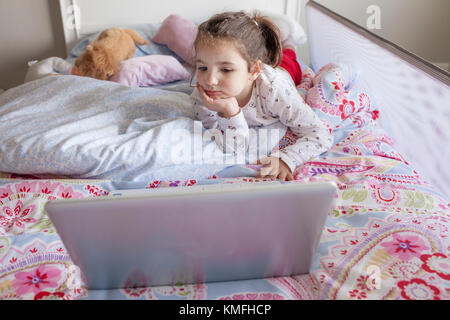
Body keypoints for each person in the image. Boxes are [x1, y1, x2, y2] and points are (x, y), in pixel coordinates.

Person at [190, 11, 332, 181]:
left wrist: (286, 160)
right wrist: (230, 112)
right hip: (258, 71)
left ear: (254, 70)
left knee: (289, 59)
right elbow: (232, 146)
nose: (210, 80)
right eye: (202, 68)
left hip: (284, 72)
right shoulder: (203, 95)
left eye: (226, 70)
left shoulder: (274, 90)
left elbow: (321, 134)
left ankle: (288, 42)